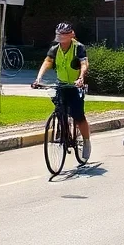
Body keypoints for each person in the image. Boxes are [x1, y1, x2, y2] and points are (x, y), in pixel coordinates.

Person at [33, 22, 91, 162]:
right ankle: (62, 129)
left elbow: (84, 64)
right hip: (61, 84)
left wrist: (81, 78)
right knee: (59, 108)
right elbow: (47, 62)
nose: (62, 39)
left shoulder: (78, 47)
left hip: (75, 85)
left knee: (78, 116)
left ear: (71, 35)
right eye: (60, 36)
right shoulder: (54, 49)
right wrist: (38, 79)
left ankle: (86, 141)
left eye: (64, 36)